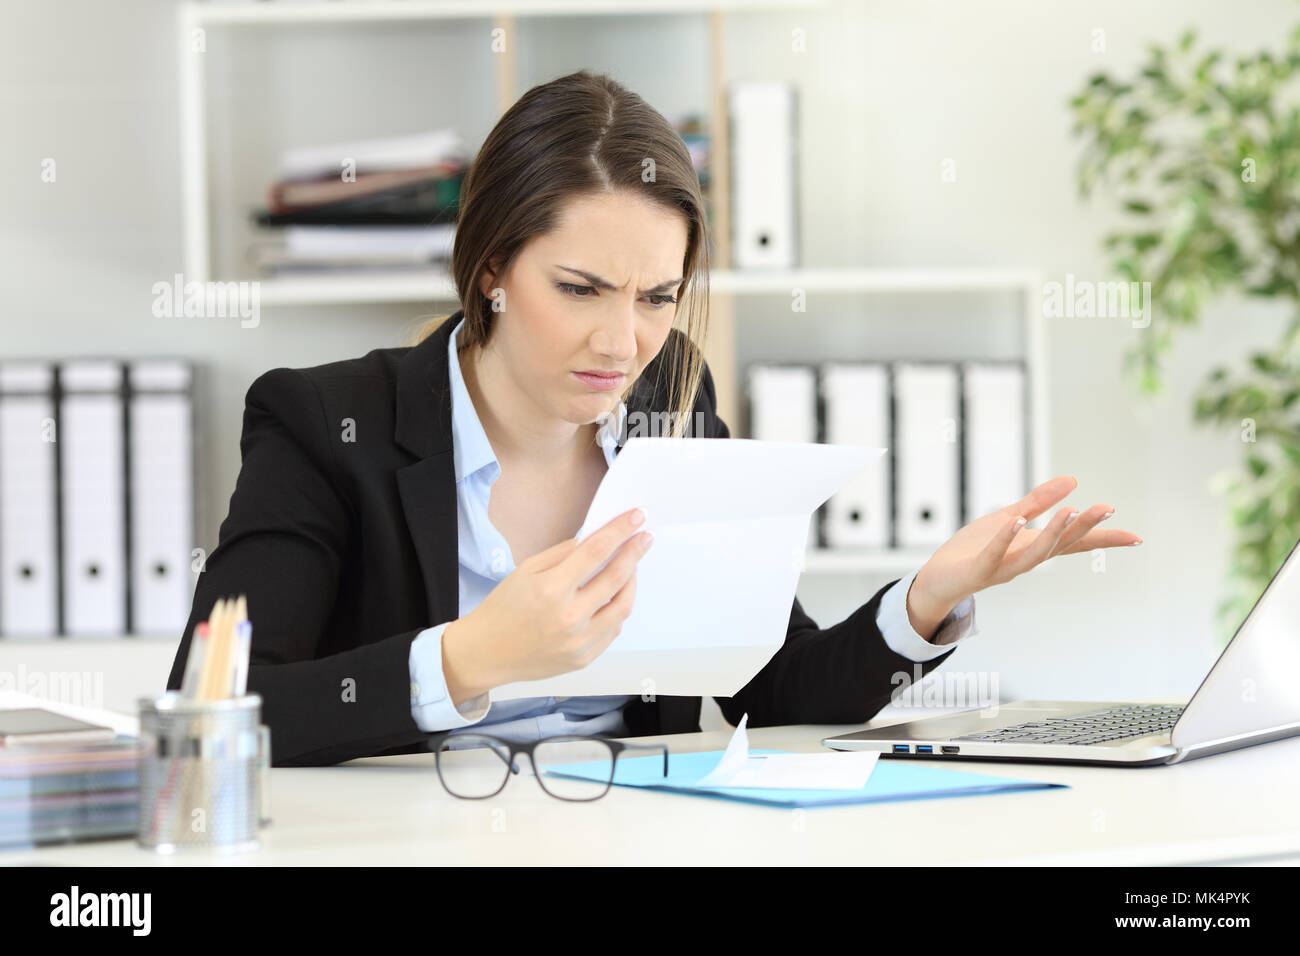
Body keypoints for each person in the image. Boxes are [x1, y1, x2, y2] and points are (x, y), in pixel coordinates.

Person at [166, 70, 1140, 767]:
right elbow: (214, 706)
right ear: (492, 270)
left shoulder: (673, 393)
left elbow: (770, 683)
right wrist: (471, 656)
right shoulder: (324, 419)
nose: (620, 342)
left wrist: (926, 596)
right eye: (580, 287)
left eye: (656, 296)